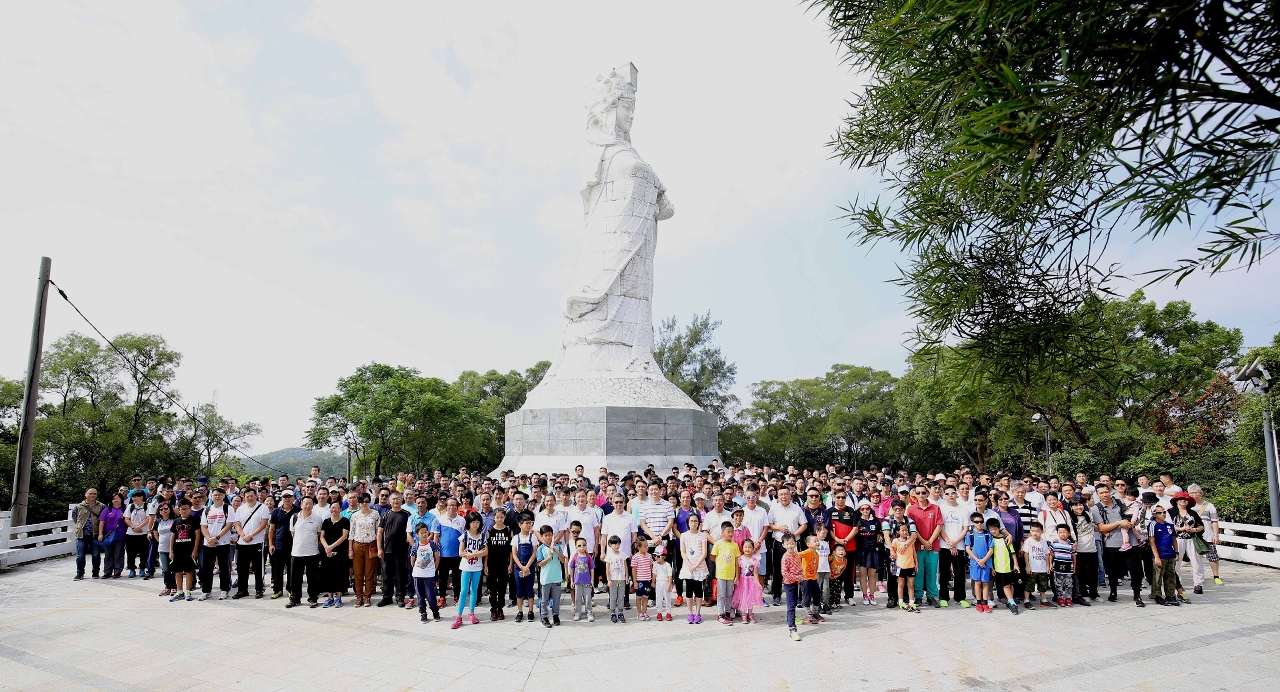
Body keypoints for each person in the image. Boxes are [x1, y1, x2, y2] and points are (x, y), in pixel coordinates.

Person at [906, 486, 943, 608]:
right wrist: (923, 542)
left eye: (923, 492)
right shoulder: (911, 509)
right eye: (918, 493)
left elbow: (939, 525)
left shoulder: (936, 508)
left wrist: (930, 541)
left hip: (933, 546)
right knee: (919, 571)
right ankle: (918, 596)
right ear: (915, 494)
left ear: (927, 493)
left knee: (932, 572)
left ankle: (932, 596)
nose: (921, 495)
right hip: (917, 545)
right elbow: (912, 529)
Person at [286, 496, 324, 608]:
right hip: (297, 552)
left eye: (310, 504)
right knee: (295, 577)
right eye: (305, 504)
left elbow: (318, 535)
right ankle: (294, 598)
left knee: (312, 577)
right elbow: (292, 533)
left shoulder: (317, 518)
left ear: (313, 505)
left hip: (312, 552)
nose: (308, 506)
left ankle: (313, 598)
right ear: (301, 505)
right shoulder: (294, 517)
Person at [231, 487, 268, 600]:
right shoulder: (241, 509)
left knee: (258, 568)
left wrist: (251, 535)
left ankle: (259, 589)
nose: (250, 498)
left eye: (252, 496)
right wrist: (243, 536)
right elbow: (237, 524)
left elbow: (263, 525)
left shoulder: (263, 508)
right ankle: (242, 590)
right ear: (244, 497)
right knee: (242, 568)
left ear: (256, 495)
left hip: (257, 542)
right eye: (247, 496)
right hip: (242, 543)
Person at [452, 512, 487, 629]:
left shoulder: (482, 535)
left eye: (477, 522)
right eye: (473, 522)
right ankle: (458, 616)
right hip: (466, 567)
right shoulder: (465, 535)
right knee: (463, 591)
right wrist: (472, 555)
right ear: (469, 523)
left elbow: (486, 551)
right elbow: (460, 552)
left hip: (477, 566)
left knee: (474, 590)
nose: (475, 524)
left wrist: (474, 554)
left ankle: (471, 613)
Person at [376, 492, 411, 608]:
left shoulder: (407, 514)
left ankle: (400, 597)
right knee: (386, 575)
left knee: (400, 575)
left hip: (401, 550)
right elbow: (380, 532)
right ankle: (387, 597)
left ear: (402, 501)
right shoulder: (385, 515)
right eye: (394, 499)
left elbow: (410, 532)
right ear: (390, 501)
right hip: (387, 550)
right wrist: (379, 548)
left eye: (398, 499)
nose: (396, 501)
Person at [199, 488, 233, 601]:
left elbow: (228, 525)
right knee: (207, 568)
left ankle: (224, 590)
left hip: (223, 542)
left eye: (219, 495)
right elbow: (203, 526)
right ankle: (206, 591)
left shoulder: (228, 508)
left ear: (224, 496)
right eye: (215, 495)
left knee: (223, 567)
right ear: (211, 496)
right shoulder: (207, 509)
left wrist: (216, 537)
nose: (217, 497)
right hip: (208, 543)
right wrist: (209, 538)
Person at [1169, 491, 1206, 595]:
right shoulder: (1170, 512)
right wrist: (1181, 528)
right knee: (1175, 562)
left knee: (1196, 562)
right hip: (1176, 539)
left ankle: (1198, 584)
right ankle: (1177, 584)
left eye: (1185, 499)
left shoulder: (1192, 513)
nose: (1183, 501)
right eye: (1180, 499)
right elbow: (1167, 525)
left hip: (1192, 539)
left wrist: (1194, 530)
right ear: (1176, 501)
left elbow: (1201, 526)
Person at [1188, 484, 1223, 585]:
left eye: (1196, 492)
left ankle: (1216, 576)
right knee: (1193, 558)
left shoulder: (1209, 506)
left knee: (1212, 556)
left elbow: (1214, 521)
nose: (1194, 495)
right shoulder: (1186, 505)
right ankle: (1198, 578)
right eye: (1192, 493)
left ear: (1201, 493)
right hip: (1191, 537)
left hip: (1207, 535)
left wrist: (1216, 535)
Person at [268, 490, 300, 600]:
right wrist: (270, 544)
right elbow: (272, 529)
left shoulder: (298, 511)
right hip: (278, 544)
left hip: (293, 545)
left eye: (289, 496)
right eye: (285, 496)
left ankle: (290, 589)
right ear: (281, 498)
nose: (287, 498)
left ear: (293, 498)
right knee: (277, 569)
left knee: (292, 569)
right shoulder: (276, 512)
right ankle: (277, 590)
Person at [678, 512, 709, 623]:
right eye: (691, 521)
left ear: (699, 522)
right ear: (688, 523)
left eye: (696, 521)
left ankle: (698, 612)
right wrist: (690, 565)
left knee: (699, 590)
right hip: (688, 567)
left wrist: (696, 565)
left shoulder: (702, 536)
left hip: (699, 566)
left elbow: (704, 553)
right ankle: (690, 612)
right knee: (689, 590)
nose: (694, 523)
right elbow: (683, 552)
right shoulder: (684, 535)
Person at [319, 500, 350, 608]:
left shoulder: (345, 521)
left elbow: (344, 536)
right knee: (328, 574)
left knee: (340, 574)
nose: (334, 510)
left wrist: (332, 546)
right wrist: (327, 548)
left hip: (340, 552)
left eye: (336, 508)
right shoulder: (326, 522)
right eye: (332, 507)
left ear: (340, 509)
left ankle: (338, 597)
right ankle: (330, 597)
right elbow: (322, 536)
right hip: (327, 552)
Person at [168, 498, 200, 601]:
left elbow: (197, 535)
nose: (184, 511)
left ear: (190, 509)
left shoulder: (194, 520)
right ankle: (179, 591)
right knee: (178, 571)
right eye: (182, 509)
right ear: (179, 509)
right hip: (178, 549)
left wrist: (195, 550)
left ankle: (187, 591)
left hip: (189, 549)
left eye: (186, 509)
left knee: (190, 570)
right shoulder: (176, 521)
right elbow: (173, 536)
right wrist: (171, 550)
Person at [1147, 506, 1180, 605]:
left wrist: (1176, 552)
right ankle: (1157, 595)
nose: (1163, 514)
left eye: (1164, 512)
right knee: (1158, 576)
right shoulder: (1153, 525)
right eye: (1159, 513)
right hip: (1160, 554)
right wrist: (1156, 556)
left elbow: (1174, 539)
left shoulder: (1169, 525)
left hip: (1170, 553)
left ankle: (1170, 595)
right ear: (1154, 514)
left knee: (1170, 575)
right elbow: (1152, 542)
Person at [536, 524, 567, 628]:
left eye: (550, 535)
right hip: (546, 578)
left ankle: (555, 615)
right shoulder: (540, 548)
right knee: (544, 599)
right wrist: (549, 557)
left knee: (556, 598)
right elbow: (539, 564)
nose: (548, 537)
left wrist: (556, 551)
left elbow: (563, 560)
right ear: (542, 536)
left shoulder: (558, 546)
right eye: (546, 535)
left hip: (557, 577)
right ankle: (544, 616)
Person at [987, 517, 1019, 614]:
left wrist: (1016, 564)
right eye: (991, 529)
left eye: (995, 529)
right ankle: (1012, 603)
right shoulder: (991, 540)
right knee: (1005, 585)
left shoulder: (1006, 539)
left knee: (1011, 584)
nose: (993, 531)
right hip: (999, 568)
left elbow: (1012, 552)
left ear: (999, 528)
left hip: (1009, 566)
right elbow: (990, 555)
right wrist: (992, 567)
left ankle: (1010, 601)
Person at [485, 507, 513, 621]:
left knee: (502, 587)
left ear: (504, 518)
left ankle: (500, 608)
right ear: (494, 518)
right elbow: (487, 550)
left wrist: (510, 564)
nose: (499, 519)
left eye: (502, 517)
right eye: (497, 517)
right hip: (492, 563)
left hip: (504, 564)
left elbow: (511, 550)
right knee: (492, 588)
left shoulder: (508, 530)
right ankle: (493, 609)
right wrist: (485, 565)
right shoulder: (489, 532)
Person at [711, 522, 741, 625]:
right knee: (721, 595)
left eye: (732, 532)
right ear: (723, 532)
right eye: (728, 532)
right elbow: (712, 557)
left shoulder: (734, 545)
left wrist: (737, 576)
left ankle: (727, 612)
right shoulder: (718, 544)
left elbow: (737, 562)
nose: (731, 534)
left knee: (729, 594)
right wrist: (720, 564)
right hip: (721, 574)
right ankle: (720, 614)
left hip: (731, 575)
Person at [72, 488, 106, 581]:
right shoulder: (78, 507)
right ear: (85, 494)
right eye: (90, 493)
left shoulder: (101, 506)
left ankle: (95, 572)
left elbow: (104, 519)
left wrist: (100, 533)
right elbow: (75, 519)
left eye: (94, 494)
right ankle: (79, 573)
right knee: (80, 555)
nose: (92, 495)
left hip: (95, 534)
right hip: (81, 534)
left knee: (95, 554)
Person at [410, 524, 441, 622]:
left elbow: (437, 558)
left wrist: (433, 569)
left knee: (430, 594)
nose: (424, 535)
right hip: (418, 574)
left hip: (429, 574)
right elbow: (412, 561)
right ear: (417, 534)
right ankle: (423, 612)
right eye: (421, 533)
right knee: (420, 594)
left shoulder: (432, 544)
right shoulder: (415, 546)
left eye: (425, 532)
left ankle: (435, 611)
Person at [964, 513, 993, 612]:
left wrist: (984, 560)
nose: (979, 524)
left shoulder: (987, 534)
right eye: (976, 522)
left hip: (986, 562)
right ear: (972, 523)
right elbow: (968, 549)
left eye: (981, 522)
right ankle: (978, 601)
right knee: (977, 582)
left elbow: (991, 549)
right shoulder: (970, 534)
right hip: (975, 563)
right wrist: (978, 560)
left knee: (985, 583)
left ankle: (985, 602)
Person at [1070, 498, 1098, 603]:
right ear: (1071, 507)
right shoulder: (1070, 518)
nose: (1078, 507)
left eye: (1080, 504)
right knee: (1081, 574)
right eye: (1075, 505)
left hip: (1092, 548)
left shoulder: (1088, 514)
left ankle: (1094, 593)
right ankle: (1083, 593)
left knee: (1094, 572)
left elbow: (1095, 527)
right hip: (1079, 549)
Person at [854, 500, 881, 606]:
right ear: (859, 510)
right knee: (862, 574)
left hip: (873, 551)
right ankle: (865, 595)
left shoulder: (876, 521)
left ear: (870, 509)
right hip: (861, 551)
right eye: (862, 509)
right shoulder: (857, 521)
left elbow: (879, 534)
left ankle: (872, 595)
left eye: (867, 508)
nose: (865, 510)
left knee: (872, 574)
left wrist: (880, 537)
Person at [1021, 521, 1053, 609]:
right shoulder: (1028, 541)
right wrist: (1027, 566)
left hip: (1042, 567)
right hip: (1032, 568)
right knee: (1029, 585)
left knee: (1043, 585)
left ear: (1042, 531)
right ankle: (1026, 600)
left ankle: (1043, 600)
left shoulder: (1043, 542)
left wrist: (1048, 565)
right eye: (1033, 531)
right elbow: (1026, 554)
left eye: (1037, 531)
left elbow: (1046, 554)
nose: (1035, 533)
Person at [512, 516, 537, 622]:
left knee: (529, 589)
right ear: (520, 525)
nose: (528, 525)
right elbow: (514, 554)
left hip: (530, 567)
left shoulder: (533, 538)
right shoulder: (516, 538)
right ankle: (520, 611)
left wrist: (527, 567)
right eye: (526, 523)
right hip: (518, 568)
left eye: (530, 523)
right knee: (519, 590)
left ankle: (531, 611)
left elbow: (534, 553)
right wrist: (522, 567)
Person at [732, 538, 763, 624]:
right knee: (743, 597)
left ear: (753, 549)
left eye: (749, 547)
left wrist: (758, 583)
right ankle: (744, 615)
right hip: (742, 582)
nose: (747, 549)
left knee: (750, 598)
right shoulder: (740, 559)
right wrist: (737, 578)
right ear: (742, 548)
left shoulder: (755, 560)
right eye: (745, 547)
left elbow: (755, 573)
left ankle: (750, 614)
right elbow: (737, 570)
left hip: (751, 582)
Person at [890, 522, 919, 613]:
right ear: (898, 531)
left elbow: (914, 552)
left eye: (906, 530)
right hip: (900, 566)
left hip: (911, 565)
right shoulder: (895, 541)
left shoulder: (910, 540)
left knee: (911, 585)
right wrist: (892, 564)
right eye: (902, 530)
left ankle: (911, 602)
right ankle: (901, 602)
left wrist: (916, 564)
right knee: (901, 584)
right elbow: (893, 553)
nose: (905, 532)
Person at [122, 490, 151, 579]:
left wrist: (139, 527)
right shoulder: (130, 506)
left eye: (136, 497)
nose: (134, 499)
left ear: (141, 497)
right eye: (133, 497)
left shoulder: (147, 506)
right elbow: (126, 519)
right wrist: (134, 527)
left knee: (144, 552)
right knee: (130, 553)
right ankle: (131, 569)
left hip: (144, 533)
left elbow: (148, 518)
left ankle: (142, 568)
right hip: (131, 533)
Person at [780, 534, 804, 641]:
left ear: (795, 543)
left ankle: (792, 618)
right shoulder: (785, 558)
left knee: (794, 603)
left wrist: (802, 575)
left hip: (797, 582)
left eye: (792, 543)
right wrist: (797, 577)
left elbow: (799, 567)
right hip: (789, 584)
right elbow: (785, 573)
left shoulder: (796, 555)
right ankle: (792, 628)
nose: (790, 545)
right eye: (788, 543)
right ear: (783, 545)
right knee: (791, 606)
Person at [151, 502, 177, 597]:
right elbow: (155, 532)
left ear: (170, 509)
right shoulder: (158, 521)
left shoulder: (175, 520)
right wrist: (159, 540)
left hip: (174, 548)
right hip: (162, 548)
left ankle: (174, 586)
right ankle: (167, 587)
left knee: (174, 569)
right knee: (165, 569)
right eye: (161, 509)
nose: (163, 511)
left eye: (166, 509)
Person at [1048, 524, 1076, 607]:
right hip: (1057, 567)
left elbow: (1073, 556)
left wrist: (1074, 567)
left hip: (1068, 567)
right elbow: (1051, 555)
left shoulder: (1071, 545)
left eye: (1065, 532)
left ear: (1069, 534)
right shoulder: (1054, 543)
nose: (1063, 534)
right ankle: (1060, 598)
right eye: (1060, 532)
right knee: (1058, 583)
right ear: (1057, 533)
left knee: (1069, 584)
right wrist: (1050, 564)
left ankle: (1068, 598)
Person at [569, 537, 595, 622]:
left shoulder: (588, 557)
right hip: (577, 582)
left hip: (587, 581)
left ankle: (589, 612)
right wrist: (572, 581)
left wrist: (592, 580)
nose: (582, 547)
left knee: (588, 598)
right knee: (578, 598)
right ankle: (577, 612)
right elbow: (571, 569)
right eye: (579, 545)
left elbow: (592, 568)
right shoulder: (575, 557)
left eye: (584, 545)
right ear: (576, 547)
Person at [605, 535, 629, 623]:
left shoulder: (623, 554)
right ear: (610, 544)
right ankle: (612, 613)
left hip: (621, 579)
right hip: (613, 579)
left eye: (618, 544)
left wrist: (626, 577)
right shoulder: (609, 556)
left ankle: (620, 612)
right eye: (615, 544)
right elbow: (607, 569)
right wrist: (608, 579)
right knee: (613, 597)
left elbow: (625, 566)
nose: (617, 546)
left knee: (621, 596)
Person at [631, 536, 654, 621]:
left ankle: (644, 611)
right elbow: (634, 571)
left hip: (647, 580)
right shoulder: (635, 557)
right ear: (639, 547)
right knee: (639, 597)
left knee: (646, 597)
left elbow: (652, 568)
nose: (647, 548)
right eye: (644, 546)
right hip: (640, 580)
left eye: (647, 545)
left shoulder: (649, 556)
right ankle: (639, 612)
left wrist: (653, 580)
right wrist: (635, 582)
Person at [653, 545, 675, 621]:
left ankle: (668, 612)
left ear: (664, 556)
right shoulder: (655, 564)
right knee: (658, 597)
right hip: (658, 582)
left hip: (665, 582)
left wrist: (669, 584)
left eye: (658, 556)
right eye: (655, 555)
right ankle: (659, 612)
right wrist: (653, 582)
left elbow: (670, 575)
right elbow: (654, 573)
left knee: (667, 597)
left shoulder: (667, 565)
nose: (656, 557)